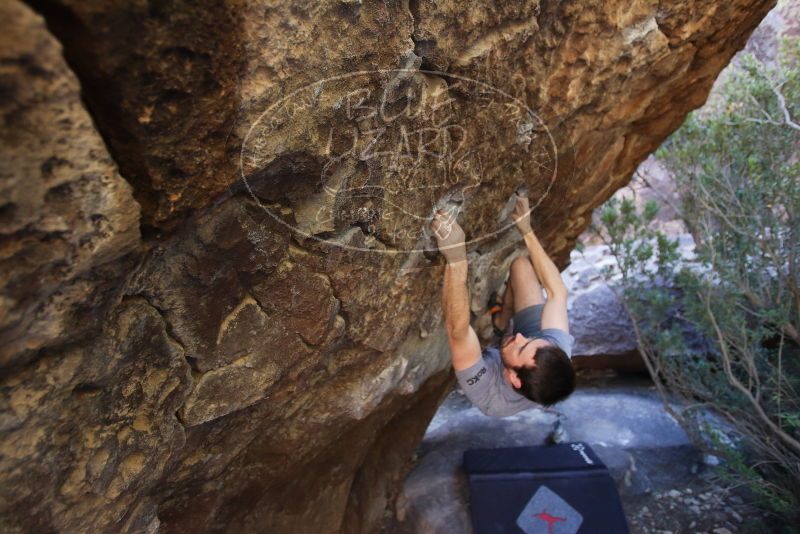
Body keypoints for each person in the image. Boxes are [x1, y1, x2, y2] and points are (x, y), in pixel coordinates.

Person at [431, 193, 576, 417]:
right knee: (521, 266)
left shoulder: (490, 395)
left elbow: (457, 332)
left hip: (497, 382)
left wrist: (456, 258)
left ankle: (501, 326)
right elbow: (557, 292)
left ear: (513, 378)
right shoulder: (553, 351)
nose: (520, 337)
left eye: (522, 346)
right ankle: (501, 319)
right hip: (529, 358)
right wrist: (526, 229)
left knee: (463, 332)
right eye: (530, 341)